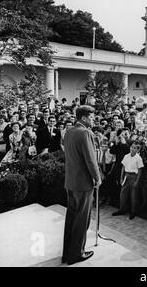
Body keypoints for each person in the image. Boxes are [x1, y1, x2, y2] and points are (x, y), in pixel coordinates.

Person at [62, 105, 101, 265]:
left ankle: (67, 253)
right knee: (81, 219)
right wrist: (97, 178)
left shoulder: (69, 131)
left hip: (70, 181)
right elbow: (90, 160)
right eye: (92, 117)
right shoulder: (85, 133)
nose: (94, 119)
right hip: (83, 183)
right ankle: (76, 254)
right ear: (84, 118)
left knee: (72, 217)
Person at [113, 141, 144, 219]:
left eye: (134, 148)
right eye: (131, 147)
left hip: (134, 176)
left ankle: (133, 212)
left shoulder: (138, 158)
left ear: (137, 150)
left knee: (133, 196)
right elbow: (123, 167)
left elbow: (140, 170)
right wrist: (121, 177)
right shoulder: (126, 156)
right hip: (127, 176)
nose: (132, 149)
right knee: (123, 194)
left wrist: (137, 181)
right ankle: (122, 209)